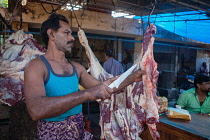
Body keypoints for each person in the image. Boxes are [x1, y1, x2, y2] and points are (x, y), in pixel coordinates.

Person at [24, 13, 145, 140]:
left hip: (77, 131)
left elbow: (105, 88)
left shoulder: (76, 68)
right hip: (51, 134)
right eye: (66, 33)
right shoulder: (36, 66)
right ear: (51, 34)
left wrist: (132, 77)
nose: (72, 38)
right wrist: (86, 94)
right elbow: (36, 110)